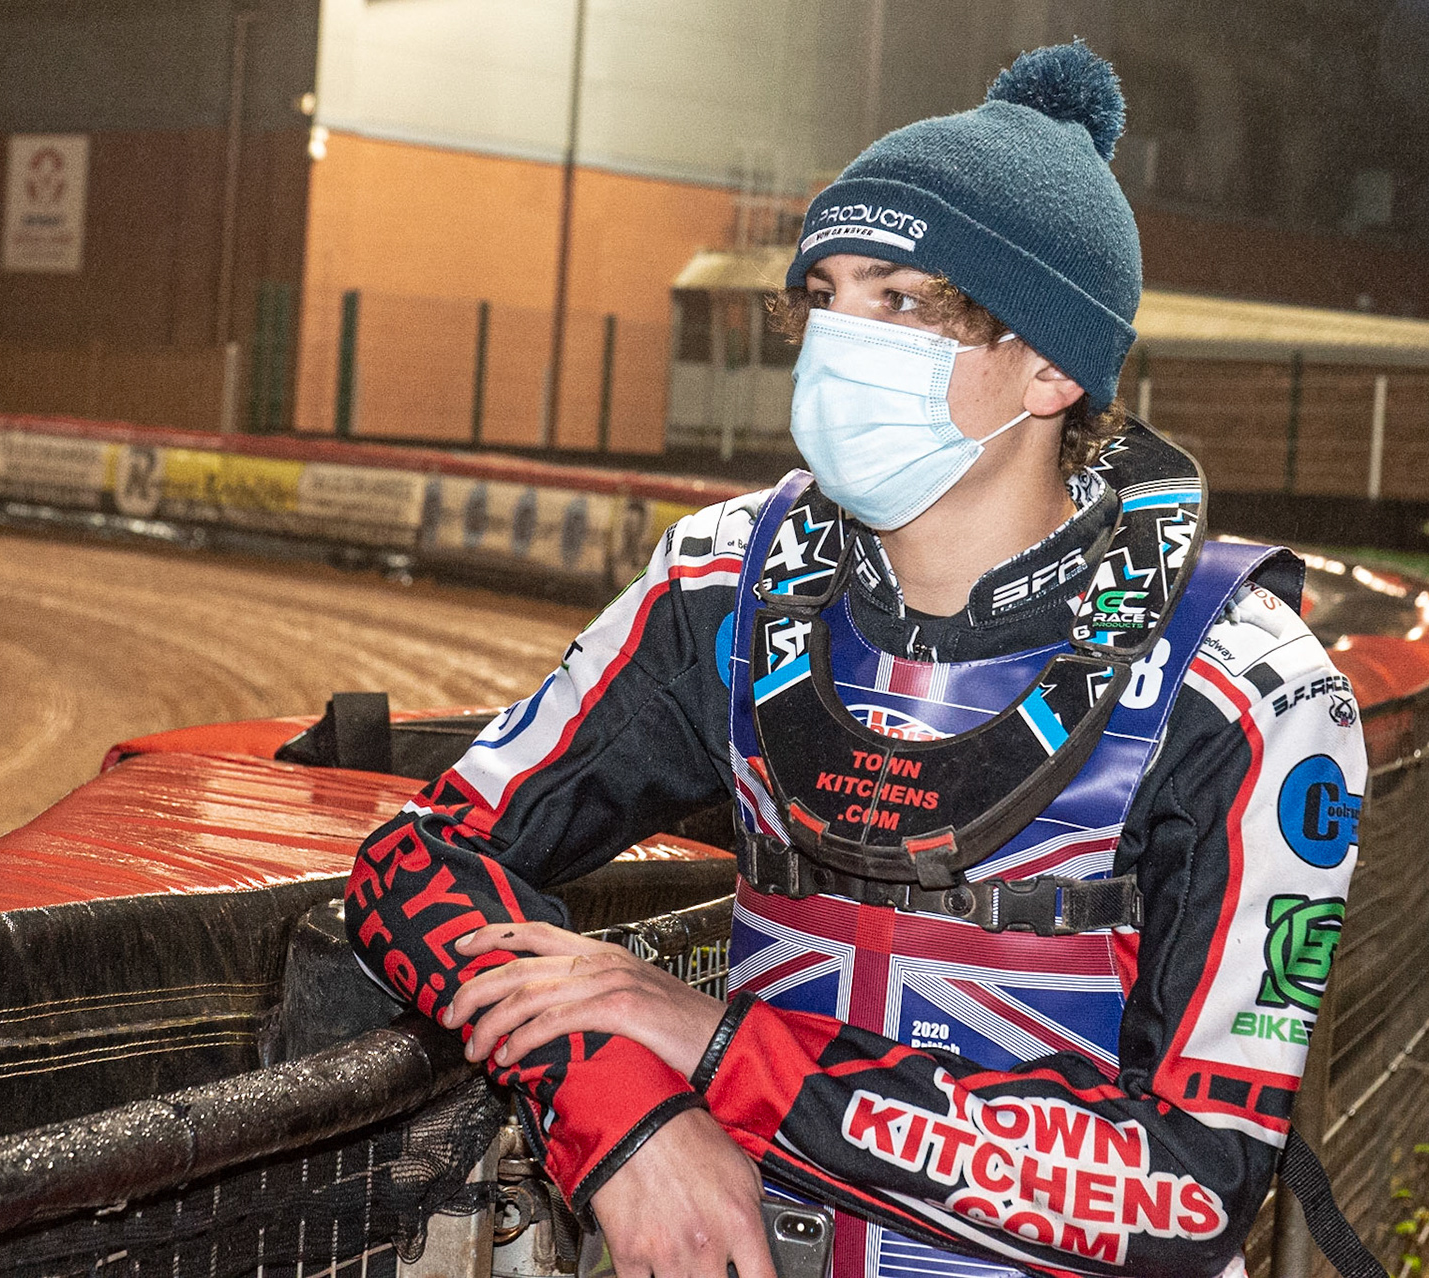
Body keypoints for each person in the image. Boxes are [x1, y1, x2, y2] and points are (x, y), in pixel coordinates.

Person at [345, 42, 1370, 1278]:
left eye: (899, 303)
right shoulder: (722, 587)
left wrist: (719, 1050)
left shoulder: (1242, 684)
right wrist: (624, 1114)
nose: (835, 340)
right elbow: (420, 861)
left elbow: (1187, 1194)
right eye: (822, 294)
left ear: (1050, 365)